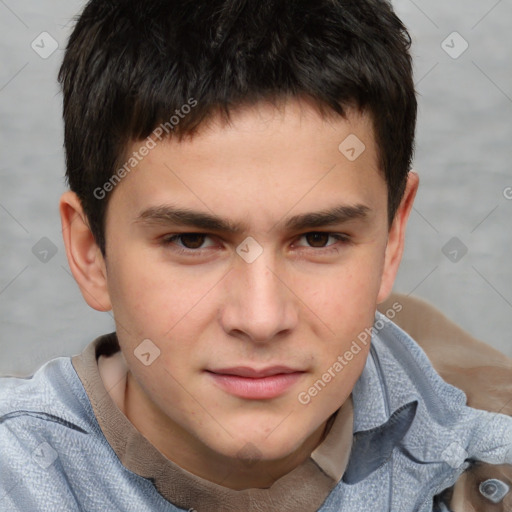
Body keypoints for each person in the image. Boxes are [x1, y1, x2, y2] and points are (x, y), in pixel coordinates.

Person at [0, 0, 510, 510]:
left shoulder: (488, 478)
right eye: (192, 241)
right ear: (91, 253)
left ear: (393, 239)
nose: (262, 319)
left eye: (318, 238)